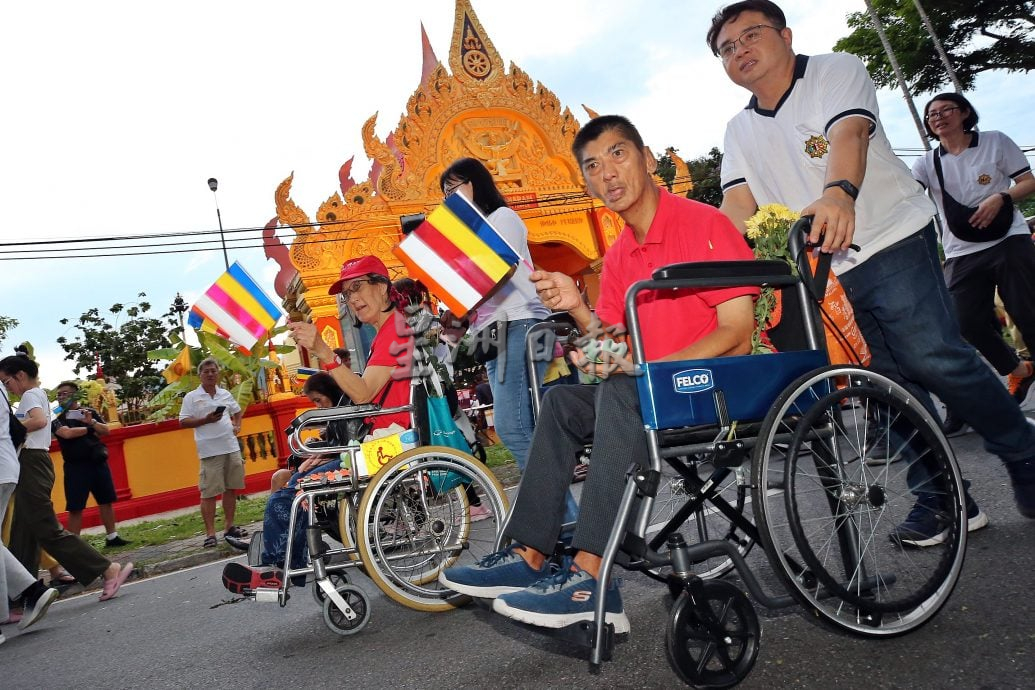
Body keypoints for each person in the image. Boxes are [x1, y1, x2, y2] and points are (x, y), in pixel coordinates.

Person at [707, 0, 1035, 542]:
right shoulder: (739, 130)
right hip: (826, 274)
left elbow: (849, 136)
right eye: (726, 48)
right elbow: (738, 205)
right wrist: (702, 256)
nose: (739, 50)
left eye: (750, 35)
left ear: (785, 35)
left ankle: (1020, 450)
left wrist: (838, 193)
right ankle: (944, 495)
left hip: (891, 235)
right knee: (882, 385)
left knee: (931, 356)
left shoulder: (834, 71)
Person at [439, 115, 758, 632]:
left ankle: (591, 577)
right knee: (565, 403)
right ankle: (531, 554)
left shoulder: (704, 223)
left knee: (623, 387)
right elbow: (609, 352)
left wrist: (648, 370)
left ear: (647, 159)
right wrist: (578, 311)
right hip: (645, 391)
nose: (607, 172)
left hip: (709, 388)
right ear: (586, 182)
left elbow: (738, 332)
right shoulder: (618, 259)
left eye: (617, 154)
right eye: (592, 165)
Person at [438, 158, 576, 519]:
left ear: (477, 183)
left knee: (514, 429)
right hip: (496, 334)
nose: (450, 198)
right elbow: (472, 301)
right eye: (445, 194)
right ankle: (564, 523)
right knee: (520, 427)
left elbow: (497, 272)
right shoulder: (468, 237)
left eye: (455, 188)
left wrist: (457, 296)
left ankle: (564, 525)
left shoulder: (502, 218)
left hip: (522, 323)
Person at [258, 255, 413, 574]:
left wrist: (323, 351)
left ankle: (281, 570)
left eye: (358, 287)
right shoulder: (388, 331)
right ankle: (305, 561)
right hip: (379, 441)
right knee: (293, 481)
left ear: (382, 287)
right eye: (347, 293)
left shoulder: (395, 330)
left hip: (393, 445)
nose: (352, 298)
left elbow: (362, 393)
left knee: (290, 494)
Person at [911, 92, 1035, 434]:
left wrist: (1001, 196)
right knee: (960, 322)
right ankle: (1016, 369)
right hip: (961, 252)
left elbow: (1028, 181)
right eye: (931, 114)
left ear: (965, 113)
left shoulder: (994, 142)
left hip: (1009, 238)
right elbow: (908, 197)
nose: (938, 118)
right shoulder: (927, 163)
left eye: (946, 110)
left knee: (1027, 312)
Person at [0, 355, 133, 603]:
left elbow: (39, 422)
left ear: (19, 375)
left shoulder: (30, 395)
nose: (7, 388)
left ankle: (105, 568)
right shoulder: (37, 395)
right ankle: (20, 595)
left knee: (46, 529)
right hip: (31, 463)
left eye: (7, 382)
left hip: (31, 463)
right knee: (23, 532)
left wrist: (10, 429)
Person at [1, 384, 60, 642]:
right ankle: (31, 591)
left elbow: (32, 423)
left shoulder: (30, 394)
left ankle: (30, 592)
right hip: (8, 467)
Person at [179, 358, 247, 548]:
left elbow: (237, 411)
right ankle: (210, 534)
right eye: (206, 371)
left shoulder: (224, 394)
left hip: (231, 447)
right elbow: (183, 422)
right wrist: (206, 420)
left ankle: (229, 527)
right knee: (209, 493)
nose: (210, 374)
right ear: (200, 375)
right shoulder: (192, 397)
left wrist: (238, 425)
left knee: (231, 488)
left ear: (218, 374)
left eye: (213, 371)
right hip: (209, 451)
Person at [51, 381, 129, 547]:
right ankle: (75, 546)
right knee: (75, 507)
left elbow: (106, 431)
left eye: (64, 393)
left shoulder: (90, 412)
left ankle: (112, 537)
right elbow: (66, 434)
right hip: (75, 466)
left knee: (105, 500)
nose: (60, 397)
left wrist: (91, 422)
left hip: (97, 462)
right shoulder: (56, 417)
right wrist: (90, 429)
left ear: (75, 395)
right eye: (59, 394)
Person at [267, 373, 350, 494]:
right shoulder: (330, 413)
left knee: (294, 480)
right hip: (327, 456)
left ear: (329, 392)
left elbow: (344, 444)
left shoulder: (344, 408)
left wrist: (322, 454)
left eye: (318, 400)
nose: (318, 406)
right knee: (278, 476)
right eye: (314, 402)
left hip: (341, 459)